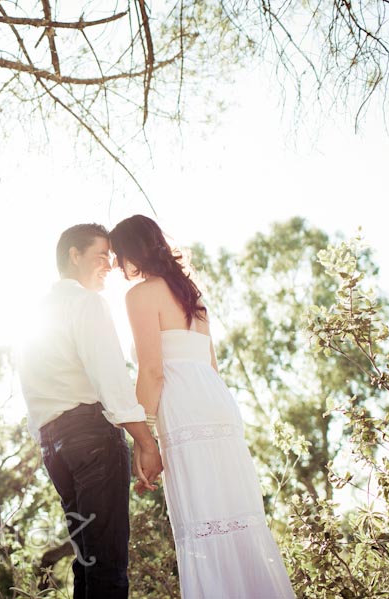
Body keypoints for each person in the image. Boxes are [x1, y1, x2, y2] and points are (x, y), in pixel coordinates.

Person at [109, 214, 295, 598]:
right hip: (216, 400)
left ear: (132, 251)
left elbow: (153, 371)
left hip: (182, 405)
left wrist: (144, 438)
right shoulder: (192, 293)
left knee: (202, 517)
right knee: (236, 512)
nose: (115, 265)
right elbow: (211, 365)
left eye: (117, 254)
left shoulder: (141, 294)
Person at [17, 223, 162, 599]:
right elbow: (112, 381)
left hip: (54, 448)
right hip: (93, 438)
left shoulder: (34, 311)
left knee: (89, 563)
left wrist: (46, 440)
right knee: (108, 567)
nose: (110, 267)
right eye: (101, 257)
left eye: (112, 260)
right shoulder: (85, 303)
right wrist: (145, 440)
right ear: (73, 255)